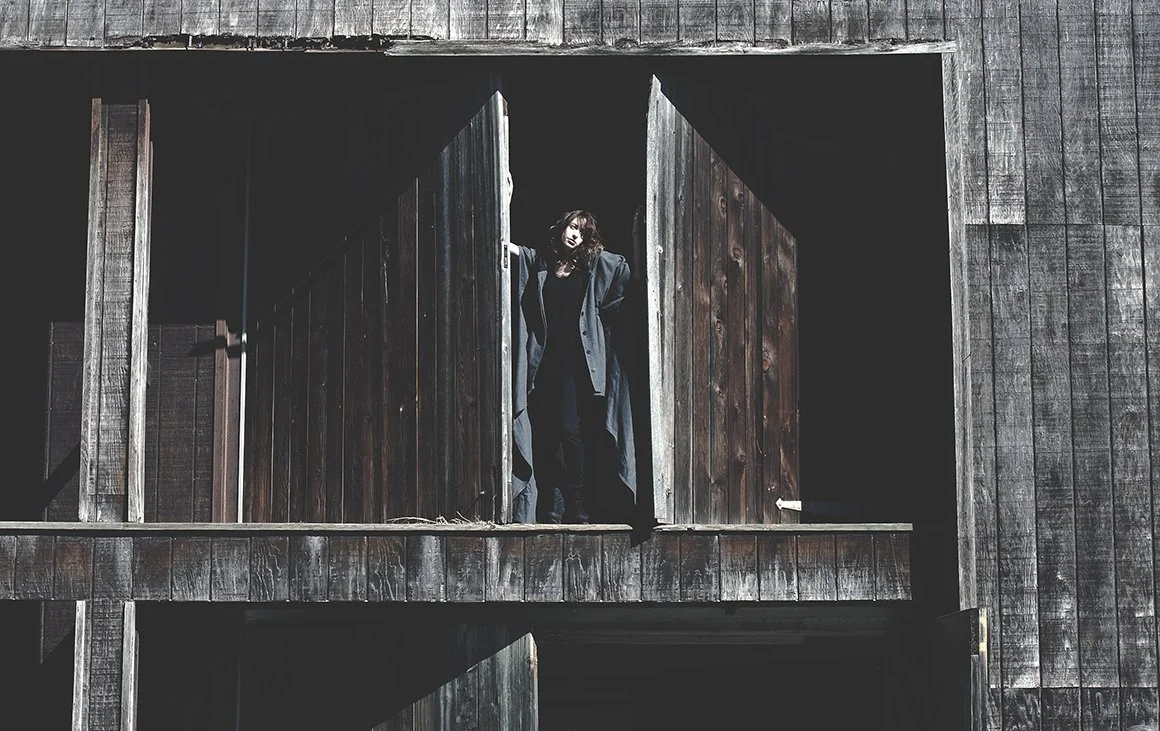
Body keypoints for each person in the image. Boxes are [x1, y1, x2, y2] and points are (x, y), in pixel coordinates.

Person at [507, 210, 637, 524]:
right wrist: (506, 200)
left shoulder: (589, 268)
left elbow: (622, 268)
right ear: (562, 226)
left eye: (583, 231)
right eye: (572, 226)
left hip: (575, 366)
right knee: (548, 433)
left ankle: (577, 503)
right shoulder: (541, 263)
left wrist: (634, 231)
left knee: (570, 431)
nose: (576, 234)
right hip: (544, 363)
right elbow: (509, 249)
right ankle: (553, 503)